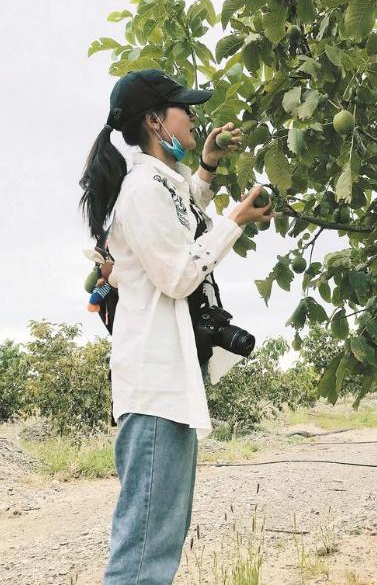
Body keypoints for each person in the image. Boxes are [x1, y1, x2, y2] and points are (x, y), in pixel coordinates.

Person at [78, 68, 273, 585]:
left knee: (156, 545)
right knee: (143, 557)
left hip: (169, 388)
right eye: (184, 108)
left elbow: (183, 221)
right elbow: (179, 273)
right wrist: (236, 220)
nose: (194, 117)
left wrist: (206, 168)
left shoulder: (159, 185)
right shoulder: (141, 190)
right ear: (155, 121)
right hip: (155, 387)